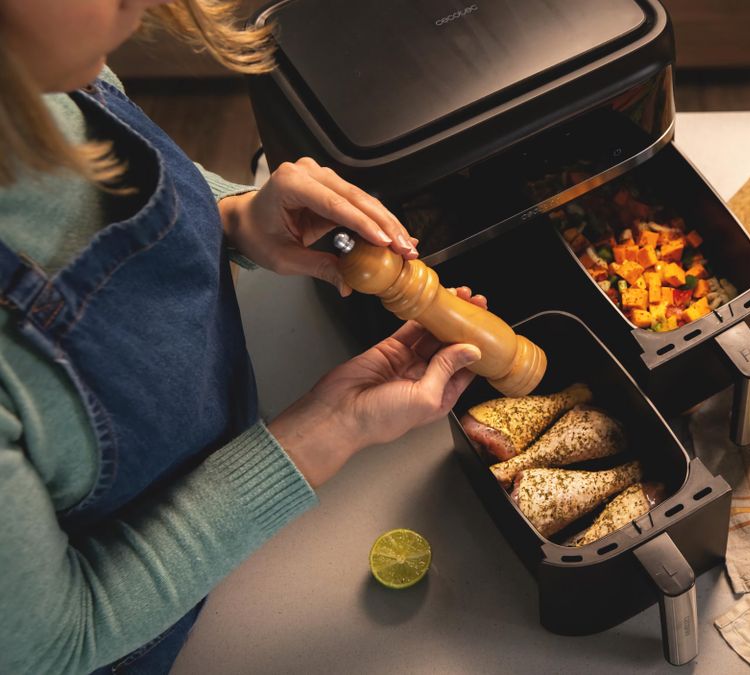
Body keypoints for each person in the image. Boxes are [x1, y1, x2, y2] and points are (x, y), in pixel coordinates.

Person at [0, 1, 486, 672]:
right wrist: (328, 429)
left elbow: (103, 189)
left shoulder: (44, 67)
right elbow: (56, 642)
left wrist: (232, 216)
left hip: (244, 471)